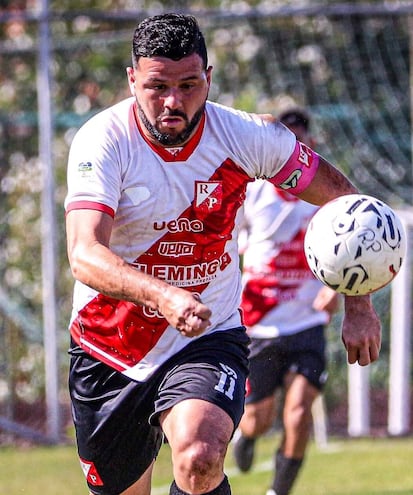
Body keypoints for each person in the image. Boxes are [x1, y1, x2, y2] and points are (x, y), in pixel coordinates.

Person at [64, 13, 381, 495]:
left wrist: (359, 302)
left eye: (189, 84)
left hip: (207, 335)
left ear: (209, 78)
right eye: (157, 87)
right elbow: (85, 253)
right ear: (132, 80)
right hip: (109, 346)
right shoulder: (102, 141)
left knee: (200, 456)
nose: (173, 101)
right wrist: (164, 297)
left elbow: (346, 203)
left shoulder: (248, 136)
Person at [232, 108, 340, 495]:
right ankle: (246, 438)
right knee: (257, 419)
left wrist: (338, 289)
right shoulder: (254, 194)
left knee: (298, 412)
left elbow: (352, 252)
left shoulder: (327, 199)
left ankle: (278, 491)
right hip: (260, 325)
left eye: (300, 144)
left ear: (310, 147)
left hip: (307, 323)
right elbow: (225, 245)